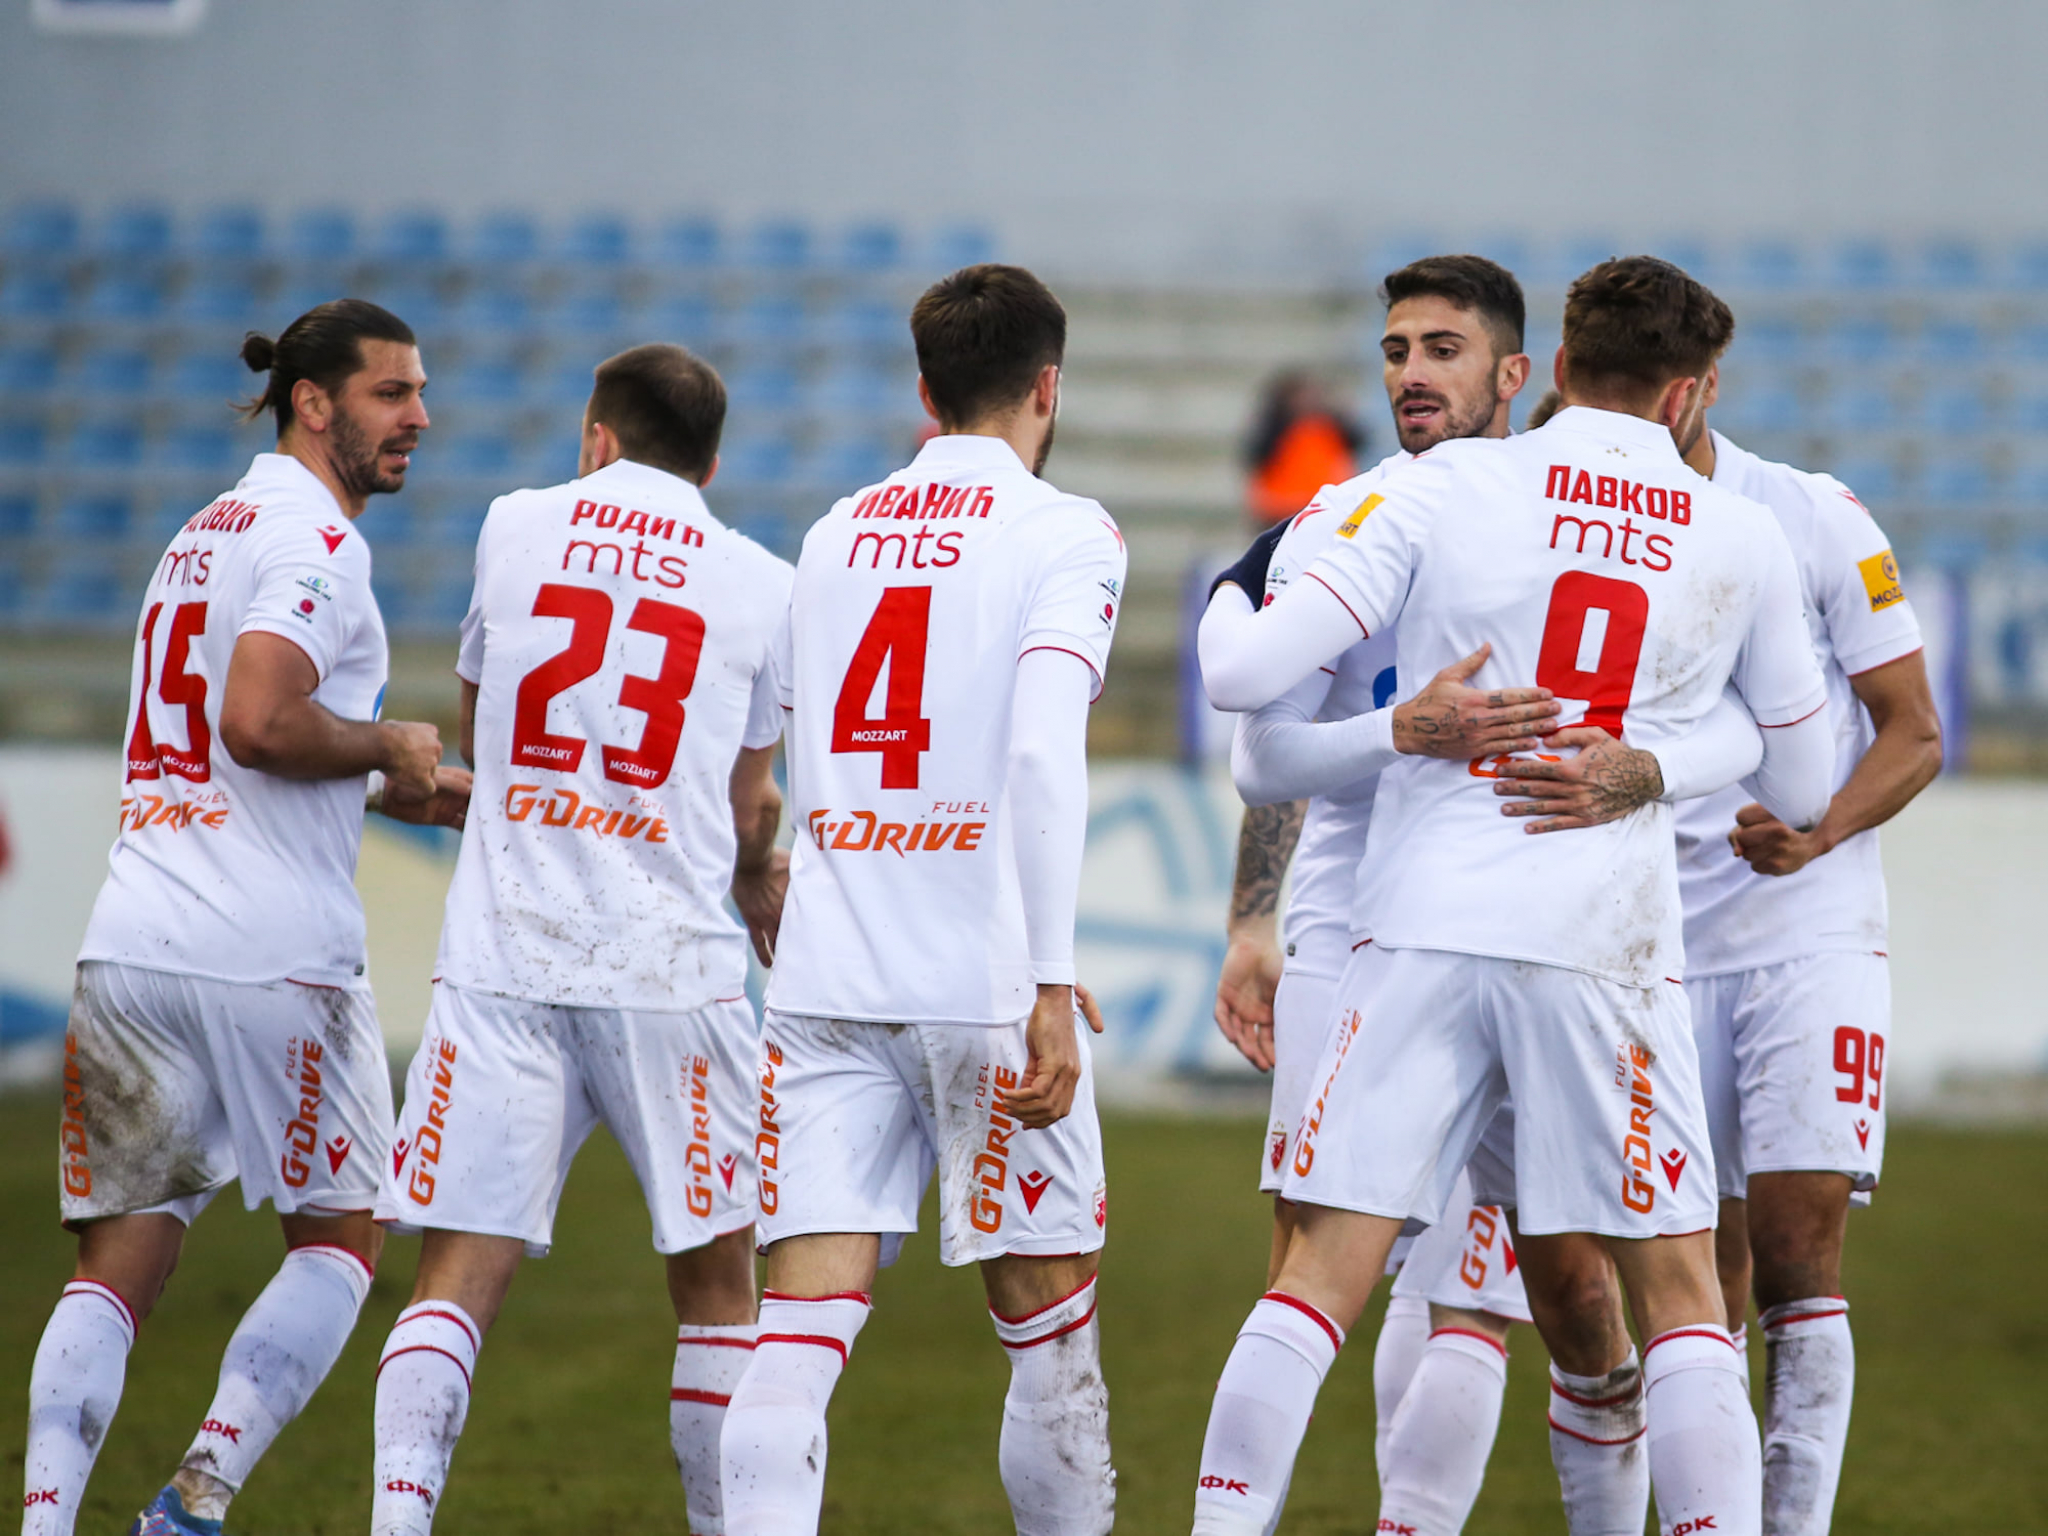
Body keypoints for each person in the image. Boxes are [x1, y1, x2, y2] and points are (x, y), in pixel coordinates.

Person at [1189, 256, 1838, 1536]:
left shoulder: (1446, 487)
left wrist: (1233, 598)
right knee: (1672, 1292)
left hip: (1418, 927)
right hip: (1601, 943)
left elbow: (1247, 682)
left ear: (1544, 369)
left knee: (1319, 1273)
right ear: (1689, 392)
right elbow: (1805, 773)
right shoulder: (1740, 530)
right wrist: (1651, 763)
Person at [21, 300, 465, 1536]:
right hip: (271, 952)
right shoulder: (319, 544)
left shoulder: (200, 532)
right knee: (339, 1243)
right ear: (312, 402)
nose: (419, 417)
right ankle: (195, 1496)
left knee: (115, 1271)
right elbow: (263, 722)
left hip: (135, 939)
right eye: (391, 394)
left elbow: (250, 752)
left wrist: (430, 787)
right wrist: (387, 735)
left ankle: (47, 1522)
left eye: (419, 393)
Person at [718, 264, 1125, 1536]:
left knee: (793, 1335)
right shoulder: (1065, 533)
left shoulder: (832, 534)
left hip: (830, 983)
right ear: (1046, 386)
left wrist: (763, 871)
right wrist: (1049, 976)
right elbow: (1038, 754)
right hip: (981, 991)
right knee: (1047, 1339)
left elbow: (766, 746)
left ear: (924, 391)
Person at [364, 344, 790, 1536]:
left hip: (506, 954)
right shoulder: (762, 580)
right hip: (672, 966)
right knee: (718, 1292)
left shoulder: (513, 524)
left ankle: (398, 1523)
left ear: (596, 434)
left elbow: (480, 725)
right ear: (708, 464)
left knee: (456, 1278)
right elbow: (751, 800)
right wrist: (755, 875)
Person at [1672, 381, 1941, 1535]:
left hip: (1806, 936)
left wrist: (1817, 831)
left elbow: (1914, 728)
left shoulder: (1810, 512)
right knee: (1690, 1281)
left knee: (1792, 1255)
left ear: (1688, 389)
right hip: (1653, 947)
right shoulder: (1569, 515)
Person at [1243, 370, 1365, 528]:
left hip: (1326, 507)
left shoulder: (1330, 424)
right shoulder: (1276, 427)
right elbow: (1257, 456)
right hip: (1280, 508)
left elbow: (1358, 441)